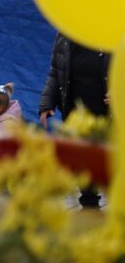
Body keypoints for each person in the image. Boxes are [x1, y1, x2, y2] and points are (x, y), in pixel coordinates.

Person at [39, 32, 111, 208]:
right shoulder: (65, 34)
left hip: (112, 113)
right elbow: (56, 71)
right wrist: (47, 102)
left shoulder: (115, 31)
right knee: (83, 161)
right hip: (76, 113)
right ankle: (89, 205)